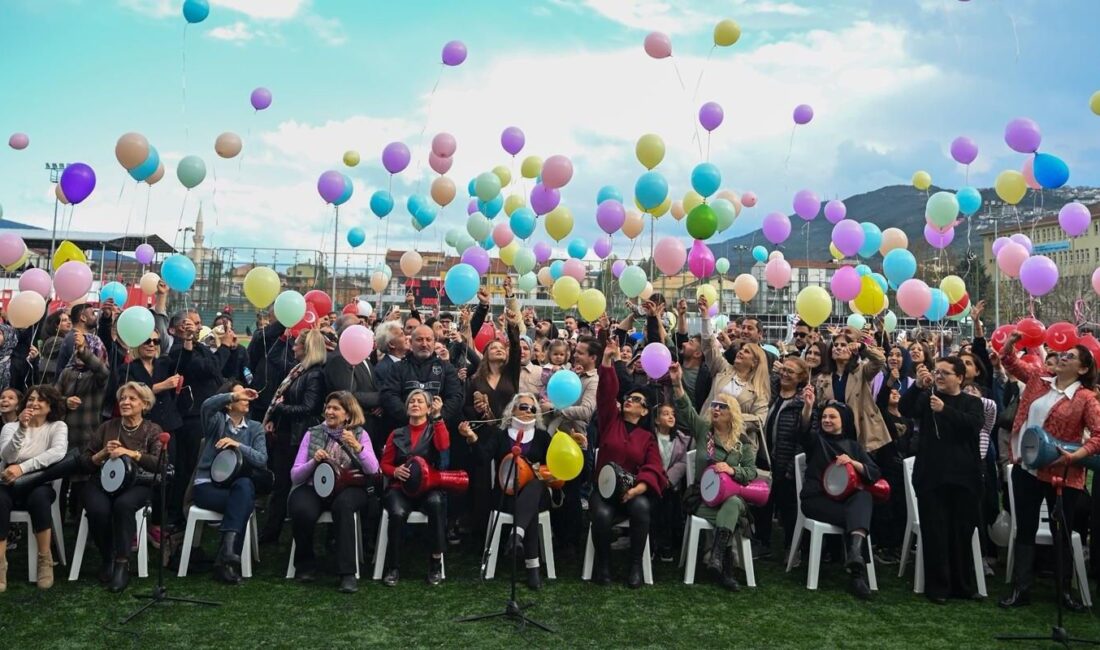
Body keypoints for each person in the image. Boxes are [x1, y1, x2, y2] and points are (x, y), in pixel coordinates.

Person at [998, 334, 1100, 610]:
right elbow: (1009, 362)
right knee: (1026, 528)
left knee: (1062, 532)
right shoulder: (1038, 378)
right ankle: (1021, 590)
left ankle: (1064, 592)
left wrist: (1076, 455)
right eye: (1063, 354)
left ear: (1082, 369)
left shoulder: (1086, 398)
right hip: (1027, 468)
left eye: (1070, 357)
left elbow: (1098, 435)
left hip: (1062, 474)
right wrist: (1011, 343)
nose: (1063, 357)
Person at [457, 393, 574, 590]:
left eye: (532, 409)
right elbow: (482, 459)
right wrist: (472, 438)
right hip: (506, 495)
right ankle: (532, 566)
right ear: (512, 410)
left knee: (535, 486)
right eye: (523, 407)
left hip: (537, 494)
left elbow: (554, 468)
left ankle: (516, 536)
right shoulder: (500, 435)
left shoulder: (543, 437)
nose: (528, 411)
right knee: (529, 508)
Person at [899, 357, 984, 603]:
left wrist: (944, 410)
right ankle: (938, 587)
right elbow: (905, 410)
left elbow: (973, 425)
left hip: (964, 477)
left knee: (961, 531)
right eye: (937, 372)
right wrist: (916, 386)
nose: (939, 376)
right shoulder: (927, 398)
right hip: (931, 476)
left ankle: (963, 585)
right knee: (935, 531)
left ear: (959, 377)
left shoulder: (972, 402)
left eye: (946, 373)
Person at [670, 362, 756, 591]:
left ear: (732, 414)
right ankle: (724, 568)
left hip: (730, 499)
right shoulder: (703, 432)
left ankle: (717, 558)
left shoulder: (743, 444)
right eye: (714, 405)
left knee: (734, 502)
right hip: (703, 498)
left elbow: (750, 474)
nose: (716, 409)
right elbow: (685, 408)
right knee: (733, 512)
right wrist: (677, 383)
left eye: (722, 406)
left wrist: (732, 470)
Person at [590, 337, 666, 588]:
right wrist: (607, 361)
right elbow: (606, 393)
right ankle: (603, 565)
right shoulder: (610, 421)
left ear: (644, 412)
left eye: (636, 400)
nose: (629, 401)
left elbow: (655, 467)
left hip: (632, 492)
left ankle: (636, 566)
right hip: (604, 491)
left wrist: (638, 489)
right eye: (628, 398)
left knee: (642, 509)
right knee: (600, 514)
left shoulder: (647, 438)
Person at [288, 391, 378, 593]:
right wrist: (314, 461)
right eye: (328, 407)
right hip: (315, 487)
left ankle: (347, 574)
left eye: (335, 408)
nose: (329, 411)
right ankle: (305, 564)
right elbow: (295, 475)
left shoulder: (361, 435)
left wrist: (356, 447)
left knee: (343, 507)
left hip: (350, 488)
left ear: (347, 414)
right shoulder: (312, 433)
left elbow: (373, 469)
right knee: (301, 509)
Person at [79, 382, 164, 592]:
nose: (125, 402)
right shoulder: (108, 427)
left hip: (137, 483)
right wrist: (102, 454)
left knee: (123, 506)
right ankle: (107, 556)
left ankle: (122, 563)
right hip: (102, 481)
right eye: (123, 398)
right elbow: (85, 461)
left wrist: (131, 453)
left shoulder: (152, 429)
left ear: (144, 404)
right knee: (98, 510)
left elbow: (159, 464)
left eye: (132, 399)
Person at [796, 395, 880, 600]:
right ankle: (857, 574)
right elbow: (803, 431)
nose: (826, 420)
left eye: (832, 417)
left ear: (843, 420)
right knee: (857, 518)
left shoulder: (853, 447)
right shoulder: (816, 440)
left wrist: (853, 463)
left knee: (863, 498)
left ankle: (854, 557)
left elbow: (874, 473)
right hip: (816, 500)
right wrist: (808, 407)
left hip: (844, 501)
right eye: (824, 416)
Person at [192, 383, 267, 585]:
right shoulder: (216, 423)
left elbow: (261, 459)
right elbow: (207, 406)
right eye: (240, 396)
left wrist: (238, 445)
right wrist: (234, 394)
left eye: (245, 395)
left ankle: (227, 552)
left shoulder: (255, 428)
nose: (246, 399)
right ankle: (225, 561)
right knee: (244, 501)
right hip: (207, 486)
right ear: (229, 404)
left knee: (244, 487)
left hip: (235, 487)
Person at [260, 329, 328, 543]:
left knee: (284, 485)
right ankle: (272, 530)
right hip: (287, 433)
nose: (293, 347)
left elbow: (309, 408)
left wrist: (280, 410)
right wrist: (275, 418)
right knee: (280, 486)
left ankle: (273, 532)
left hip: (298, 438)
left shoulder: (314, 374)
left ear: (307, 348)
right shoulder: (298, 371)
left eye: (297, 344)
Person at [0, 385, 69, 591]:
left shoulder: (57, 426)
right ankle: (1, 564)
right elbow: (7, 457)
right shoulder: (10, 428)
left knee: (39, 499)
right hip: (8, 483)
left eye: (40, 400)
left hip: (39, 483)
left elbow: (57, 453)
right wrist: (22, 428)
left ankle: (45, 560)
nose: (34, 403)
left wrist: (23, 467)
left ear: (50, 406)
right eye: (30, 399)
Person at [379, 390, 450, 586]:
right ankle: (393, 566)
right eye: (412, 401)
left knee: (436, 503)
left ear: (428, 409)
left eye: (420, 401)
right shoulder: (396, 433)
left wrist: (438, 418)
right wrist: (395, 471)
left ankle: (435, 563)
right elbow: (384, 464)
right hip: (400, 488)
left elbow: (443, 446)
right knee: (397, 513)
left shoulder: (435, 429)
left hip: (428, 487)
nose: (415, 404)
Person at [757, 356, 812, 557]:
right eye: (784, 370)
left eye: (790, 372)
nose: (785, 374)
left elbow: (803, 437)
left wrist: (791, 467)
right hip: (765, 459)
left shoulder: (801, 403)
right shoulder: (772, 394)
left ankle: (791, 547)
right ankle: (763, 543)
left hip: (786, 462)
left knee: (788, 507)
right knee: (763, 504)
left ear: (801, 378)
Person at [699, 297, 770, 430]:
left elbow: (759, 420)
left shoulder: (758, 389)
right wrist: (705, 317)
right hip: (709, 433)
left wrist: (730, 415)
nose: (741, 352)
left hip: (737, 444)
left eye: (747, 352)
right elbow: (708, 346)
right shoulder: (724, 369)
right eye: (741, 349)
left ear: (755, 362)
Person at [650, 402, 690, 562]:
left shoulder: (680, 440)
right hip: (653, 484)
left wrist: (669, 479)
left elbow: (683, 462)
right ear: (657, 420)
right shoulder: (650, 438)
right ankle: (652, 545)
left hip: (670, 487)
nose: (670, 416)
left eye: (672, 414)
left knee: (668, 515)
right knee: (652, 515)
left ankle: (666, 545)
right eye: (665, 414)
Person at [38, 311, 72, 385]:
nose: (69, 322)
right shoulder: (53, 341)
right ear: (56, 325)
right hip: (52, 381)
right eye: (64, 320)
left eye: (69, 319)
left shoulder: (66, 338)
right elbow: (70, 346)